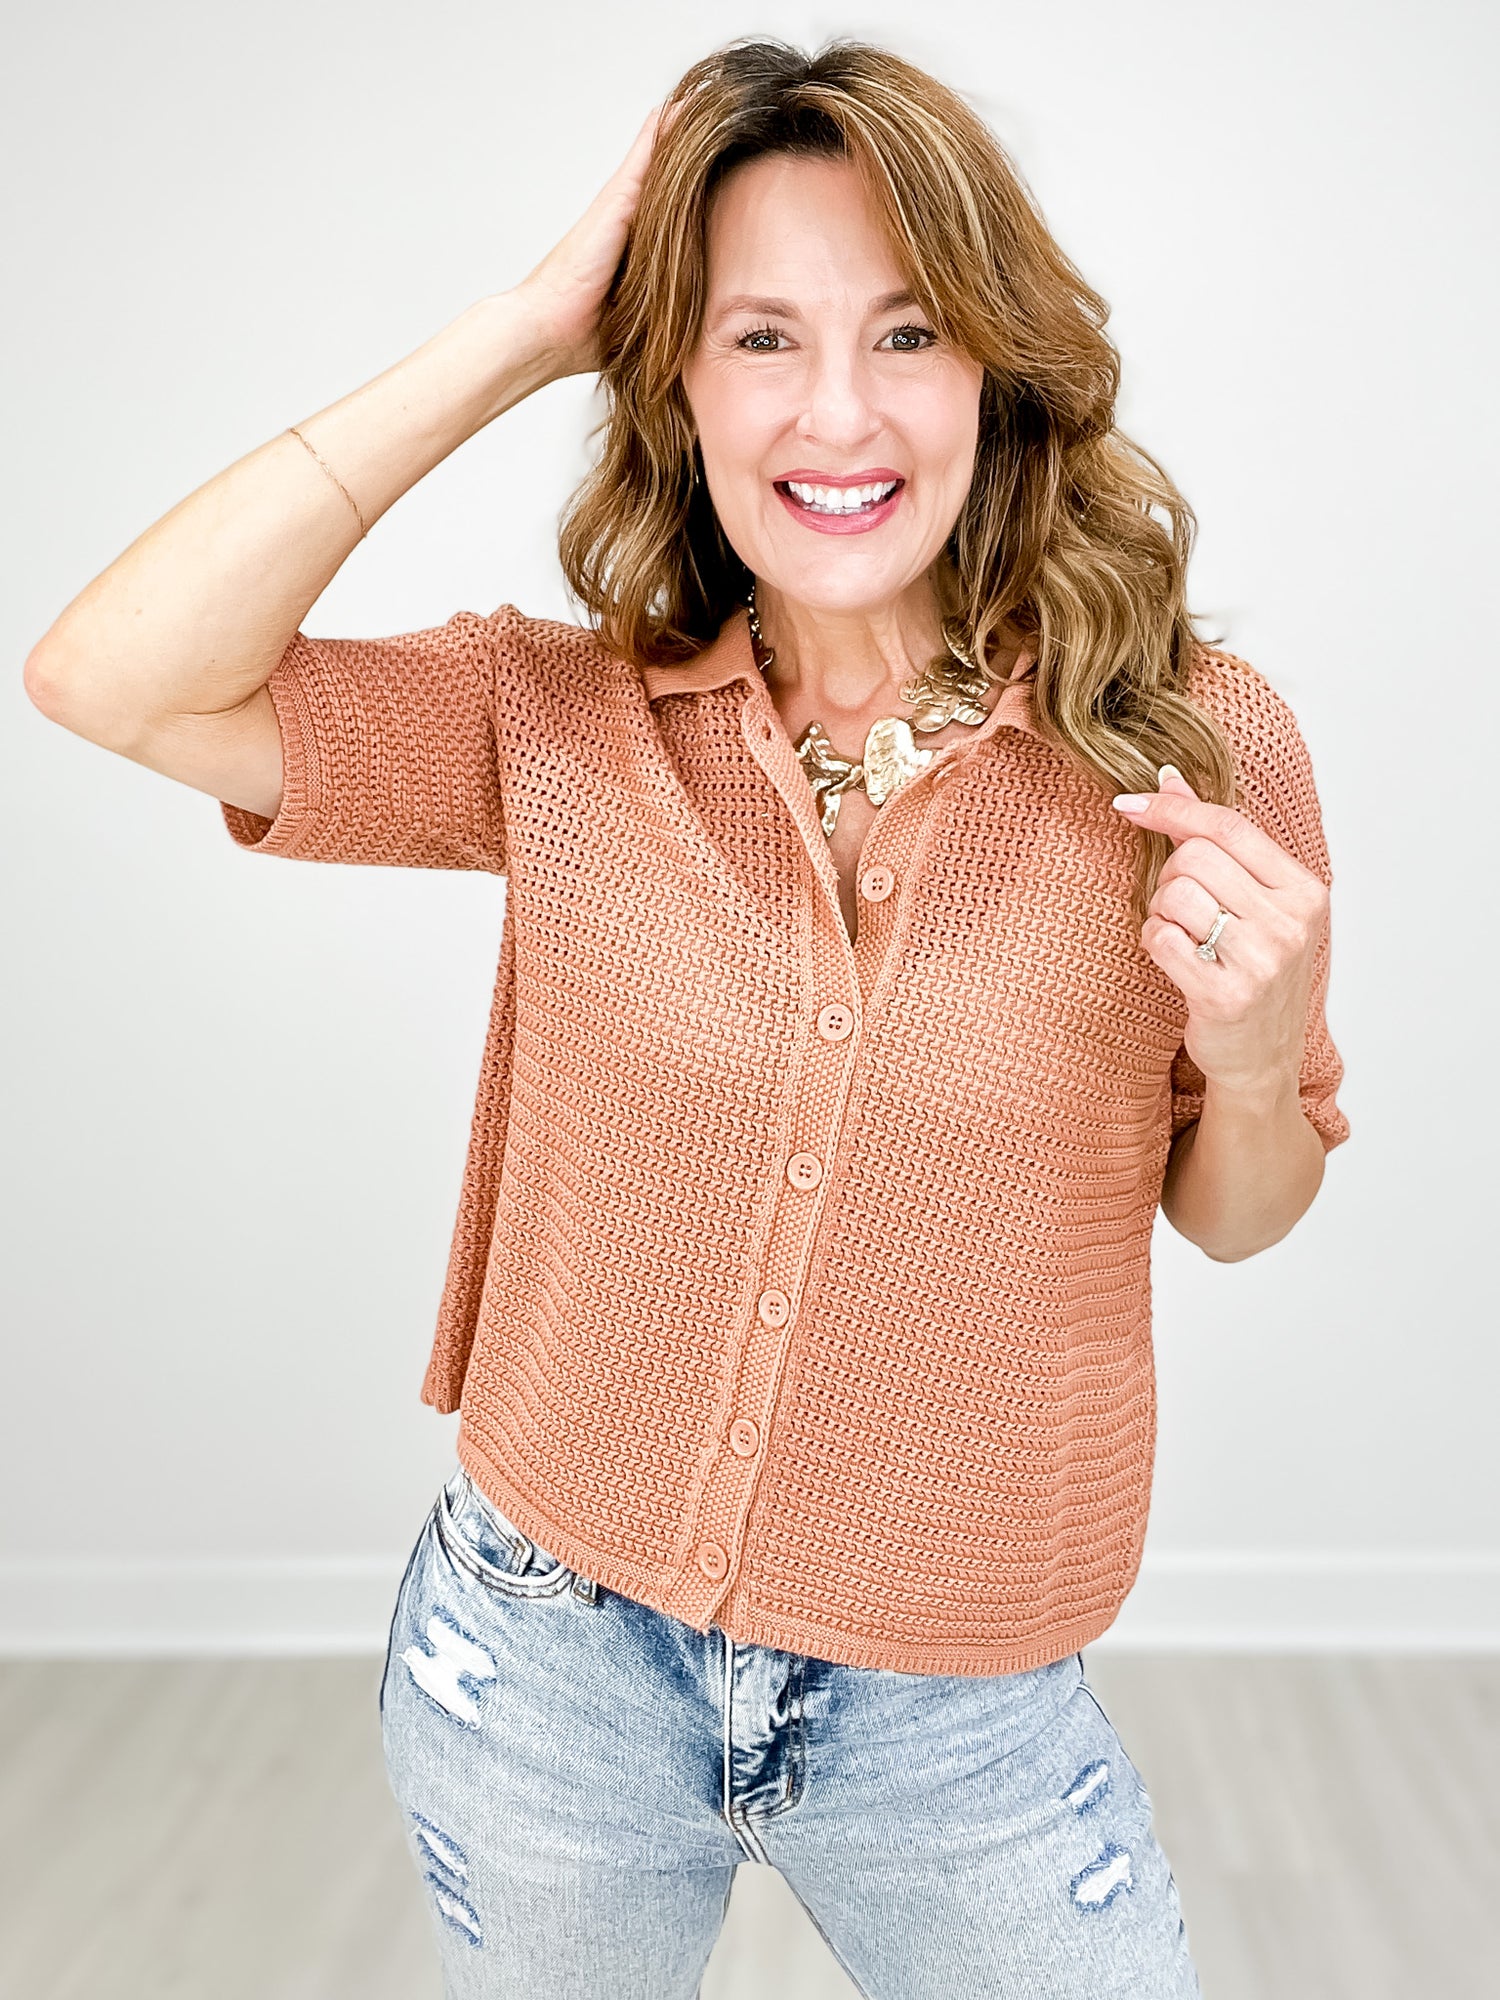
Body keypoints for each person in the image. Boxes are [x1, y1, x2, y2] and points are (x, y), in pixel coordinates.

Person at [25, 34, 1348, 2000]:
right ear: (675, 382)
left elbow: (1241, 1211)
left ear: (997, 368)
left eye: (909, 333)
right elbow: (108, 677)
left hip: (959, 1709)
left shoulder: (1185, 746)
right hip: (540, 1662)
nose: (840, 410)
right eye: (760, 338)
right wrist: (517, 333)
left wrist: (1251, 1065)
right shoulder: (552, 721)